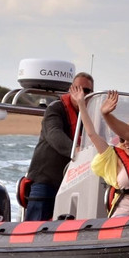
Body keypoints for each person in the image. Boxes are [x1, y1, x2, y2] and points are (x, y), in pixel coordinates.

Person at [23, 71, 96, 221]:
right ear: (70, 89)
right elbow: (54, 133)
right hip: (46, 179)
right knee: (35, 223)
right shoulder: (55, 109)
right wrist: (76, 151)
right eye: (77, 88)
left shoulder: (91, 116)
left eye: (86, 90)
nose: (82, 93)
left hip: (75, 182)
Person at [70, 84, 129, 217]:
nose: (126, 143)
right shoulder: (114, 157)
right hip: (123, 215)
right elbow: (92, 134)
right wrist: (81, 104)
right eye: (122, 139)